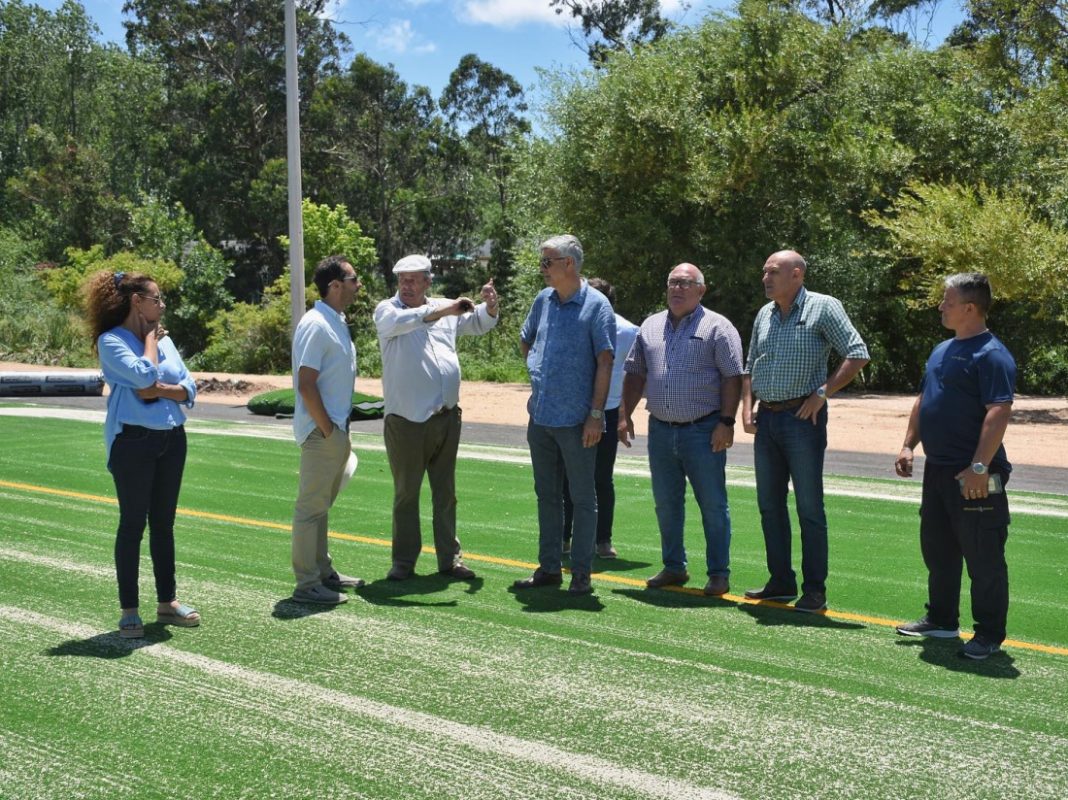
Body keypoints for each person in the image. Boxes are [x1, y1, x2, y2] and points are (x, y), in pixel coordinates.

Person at [894, 273, 1015, 660]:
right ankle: (942, 619)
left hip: (975, 473)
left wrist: (979, 467)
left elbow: (999, 412)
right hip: (939, 470)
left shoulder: (992, 354)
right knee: (939, 549)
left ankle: (989, 634)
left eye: (948, 301)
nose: (940, 306)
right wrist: (908, 444)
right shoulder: (941, 350)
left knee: (984, 556)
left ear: (970, 308)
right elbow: (924, 399)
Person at [741, 250, 870, 612]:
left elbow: (858, 352)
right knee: (769, 506)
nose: (766, 278)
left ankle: (814, 590)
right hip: (766, 419)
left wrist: (822, 393)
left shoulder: (823, 307)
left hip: (802, 419)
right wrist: (746, 408)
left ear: (796, 274)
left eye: (773, 272)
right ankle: (780, 581)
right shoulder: (764, 314)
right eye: (764, 272)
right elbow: (750, 366)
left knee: (809, 507)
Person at [86, 269, 200, 639]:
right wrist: (150, 339)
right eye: (157, 299)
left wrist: (162, 390)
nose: (162, 306)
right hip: (133, 442)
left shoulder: (166, 340)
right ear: (137, 302)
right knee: (133, 524)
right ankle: (129, 611)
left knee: (163, 524)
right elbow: (142, 376)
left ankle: (167, 602)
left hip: (172, 437)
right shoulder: (111, 341)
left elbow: (189, 387)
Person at [618, 263, 744, 596]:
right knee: (666, 503)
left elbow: (732, 377)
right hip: (660, 430)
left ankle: (718, 573)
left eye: (686, 283)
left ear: (701, 290)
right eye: (672, 282)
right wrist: (624, 414)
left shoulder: (718, 327)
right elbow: (635, 373)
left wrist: (727, 423)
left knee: (713, 505)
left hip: (703, 430)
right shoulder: (650, 325)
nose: (677, 288)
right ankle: (674, 567)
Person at [374, 254, 500, 581]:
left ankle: (450, 559)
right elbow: (411, 320)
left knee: (446, 493)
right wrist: (447, 310)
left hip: (446, 417)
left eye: (413, 279)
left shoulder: (445, 308)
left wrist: (489, 307)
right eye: (402, 279)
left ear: (428, 281)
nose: (406, 285)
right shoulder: (387, 311)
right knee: (407, 494)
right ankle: (403, 562)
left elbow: (477, 323)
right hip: (406, 421)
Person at [514, 234, 615, 595]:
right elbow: (526, 338)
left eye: (547, 262)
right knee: (547, 495)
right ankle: (549, 568)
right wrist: (538, 370)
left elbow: (605, 362)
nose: (542, 268)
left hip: (577, 421)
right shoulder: (543, 300)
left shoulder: (597, 306)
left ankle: (582, 574)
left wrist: (595, 414)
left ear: (568, 264)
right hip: (541, 417)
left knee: (583, 498)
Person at [290, 255, 366, 604]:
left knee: (320, 507)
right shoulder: (317, 324)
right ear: (335, 286)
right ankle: (307, 584)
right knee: (310, 510)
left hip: (334, 431)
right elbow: (306, 383)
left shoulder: (334, 321)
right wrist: (328, 430)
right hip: (323, 434)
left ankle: (323, 572)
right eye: (353, 279)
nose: (358, 285)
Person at [562, 277, 638, 560]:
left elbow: (631, 376)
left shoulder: (628, 332)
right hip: (573, 408)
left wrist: (624, 415)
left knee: (602, 477)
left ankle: (602, 539)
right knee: (568, 475)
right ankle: (564, 537)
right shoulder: (570, 324)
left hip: (607, 410)